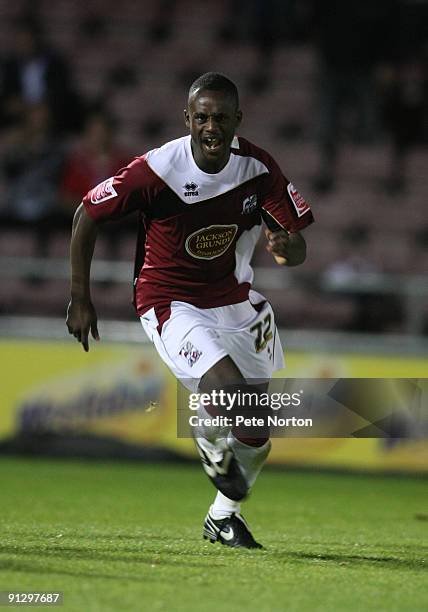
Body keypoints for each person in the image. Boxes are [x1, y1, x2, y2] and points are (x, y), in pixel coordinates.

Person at [66, 72, 314, 549]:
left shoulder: (258, 168)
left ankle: (223, 517)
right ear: (188, 119)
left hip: (235, 301)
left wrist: (286, 246)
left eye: (221, 117)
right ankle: (205, 429)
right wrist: (80, 296)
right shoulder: (158, 168)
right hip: (170, 301)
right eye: (202, 117)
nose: (211, 127)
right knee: (228, 394)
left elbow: (296, 249)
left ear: (238, 119)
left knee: (256, 429)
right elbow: (86, 215)